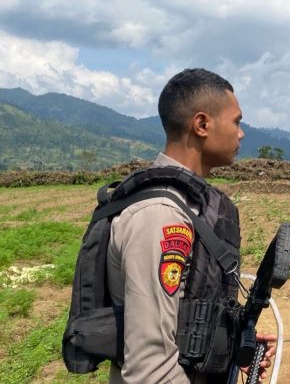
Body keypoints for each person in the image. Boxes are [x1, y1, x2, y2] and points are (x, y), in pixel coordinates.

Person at [106, 68, 276, 383]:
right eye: (237, 122)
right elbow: (150, 371)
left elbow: (186, 316)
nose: (242, 134)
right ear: (201, 124)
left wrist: (229, 342)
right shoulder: (161, 215)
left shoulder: (189, 205)